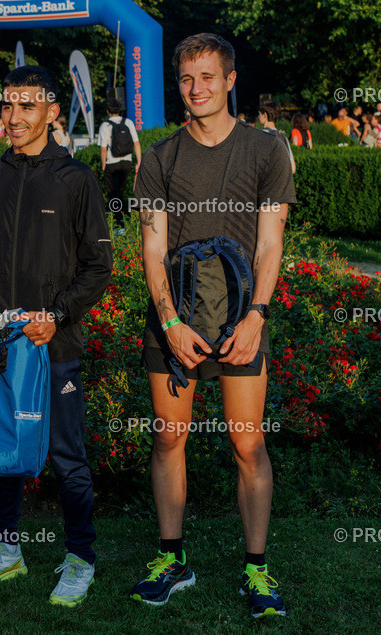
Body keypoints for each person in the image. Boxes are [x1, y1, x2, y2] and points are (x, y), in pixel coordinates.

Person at [131, 33, 295, 619]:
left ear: (230, 80)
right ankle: (171, 559)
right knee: (169, 437)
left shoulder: (267, 151)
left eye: (207, 78)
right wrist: (170, 321)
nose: (195, 90)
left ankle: (257, 569)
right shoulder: (160, 159)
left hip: (242, 319)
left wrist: (258, 315)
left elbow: (271, 243)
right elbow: (152, 250)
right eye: (185, 79)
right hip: (174, 320)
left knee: (247, 443)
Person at [0, 65, 112, 606]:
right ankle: (6, 551)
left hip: (54, 348)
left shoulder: (77, 180)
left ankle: (79, 558)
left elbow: (98, 265)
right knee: (4, 452)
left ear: (52, 111)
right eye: (9, 106)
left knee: (67, 456)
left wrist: (58, 314)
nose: (15, 117)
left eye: (28, 106)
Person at [99, 99, 141, 235]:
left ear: (107, 111)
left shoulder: (105, 125)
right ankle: (126, 219)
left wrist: (103, 164)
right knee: (121, 192)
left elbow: (103, 148)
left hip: (112, 163)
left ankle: (119, 224)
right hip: (127, 162)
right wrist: (139, 162)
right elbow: (136, 143)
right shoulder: (128, 122)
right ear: (120, 110)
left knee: (113, 194)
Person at [256, 102, 296, 173]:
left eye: (259, 114)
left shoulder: (259, 135)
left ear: (265, 115)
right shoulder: (282, 136)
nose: (258, 117)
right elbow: (292, 168)